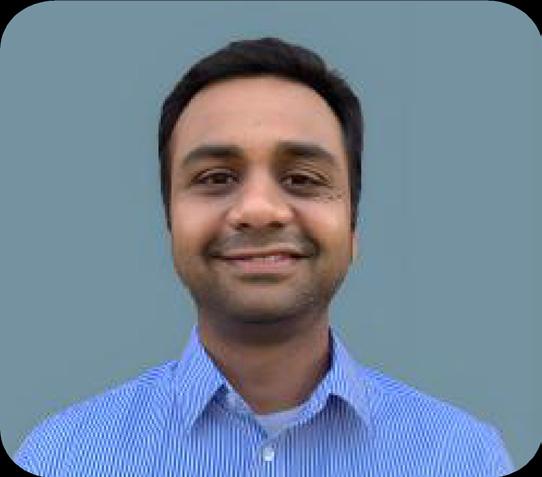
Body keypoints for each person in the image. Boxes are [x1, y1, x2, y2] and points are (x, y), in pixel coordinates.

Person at [14, 37, 514, 476]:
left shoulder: (464, 460)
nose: (258, 210)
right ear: (170, 225)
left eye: (302, 179)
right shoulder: (60, 459)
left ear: (353, 229)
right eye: (216, 178)